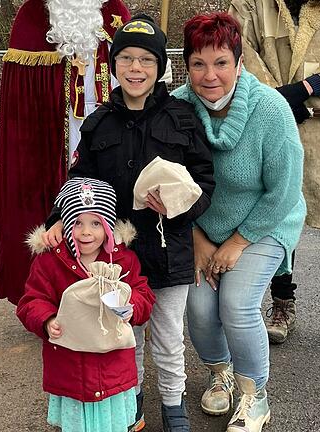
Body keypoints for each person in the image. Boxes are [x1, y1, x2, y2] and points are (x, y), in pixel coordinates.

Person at [41, 14, 215, 432]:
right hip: (114, 257)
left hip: (169, 250)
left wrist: (178, 207)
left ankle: (174, 408)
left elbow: (205, 182)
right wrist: (53, 220)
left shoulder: (182, 118)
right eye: (127, 59)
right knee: (125, 336)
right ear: (114, 64)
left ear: (160, 68)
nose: (136, 69)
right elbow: (77, 180)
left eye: (146, 61)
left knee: (169, 338)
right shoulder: (99, 121)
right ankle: (130, 404)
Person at [172, 12, 306, 432]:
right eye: (198, 63)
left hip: (266, 220)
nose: (209, 75)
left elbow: (284, 190)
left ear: (239, 62)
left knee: (235, 302)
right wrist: (196, 237)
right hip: (201, 227)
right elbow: (167, 182)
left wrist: (238, 240)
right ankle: (220, 372)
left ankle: (255, 395)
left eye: (221, 62)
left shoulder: (271, 109)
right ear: (187, 66)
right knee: (198, 304)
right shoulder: (176, 107)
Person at [229, 0, 320, 353]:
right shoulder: (249, 3)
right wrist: (275, 98)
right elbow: (240, 50)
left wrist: (307, 88)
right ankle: (282, 304)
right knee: (279, 214)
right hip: (270, 117)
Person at [0, 0, 130, 305]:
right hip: (49, 145)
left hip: (109, 140)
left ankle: (113, 289)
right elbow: (21, 104)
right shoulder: (31, 16)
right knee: (51, 216)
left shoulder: (115, 12)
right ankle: (47, 298)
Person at [17, 177, 155, 432]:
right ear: (65, 224)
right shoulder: (49, 263)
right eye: (77, 222)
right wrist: (47, 320)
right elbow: (31, 301)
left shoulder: (124, 260)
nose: (86, 231)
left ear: (108, 226)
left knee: (114, 425)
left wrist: (132, 306)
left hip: (114, 369)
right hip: (71, 370)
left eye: (96, 223)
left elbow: (144, 293)